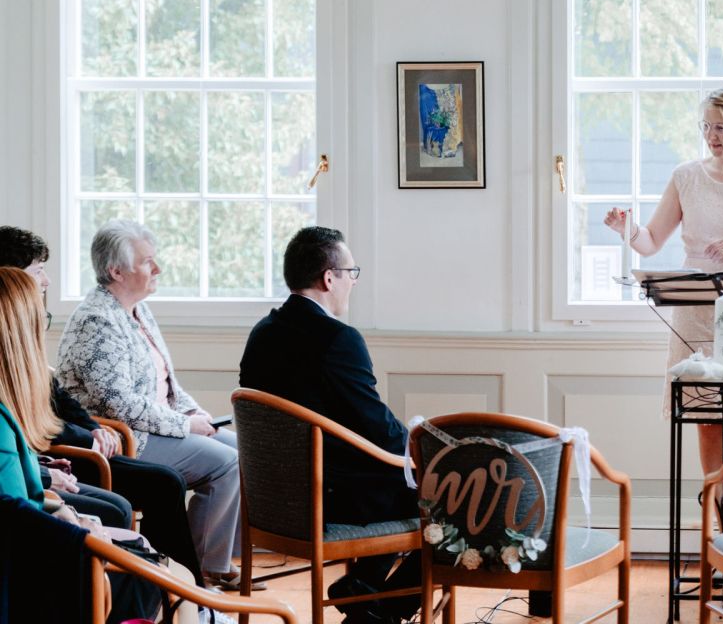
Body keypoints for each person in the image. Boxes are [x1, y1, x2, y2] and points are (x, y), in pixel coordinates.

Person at [604, 85, 723, 513]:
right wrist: (627, 229)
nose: (712, 136)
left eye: (722, 127)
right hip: (697, 312)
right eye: (706, 126)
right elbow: (651, 241)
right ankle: (719, 523)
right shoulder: (685, 177)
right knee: (708, 418)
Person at [55, 220, 253, 591]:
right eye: (148, 262)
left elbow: (167, 383)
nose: (157, 268)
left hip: (157, 423)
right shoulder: (96, 320)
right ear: (116, 271)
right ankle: (197, 573)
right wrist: (185, 426)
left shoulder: (139, 310)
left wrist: (193, 411)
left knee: (244, 452)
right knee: (226, 463)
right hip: (129, 436)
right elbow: (119, 405)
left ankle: (214, 563)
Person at [0, 225, 204, 580]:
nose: (47, 281)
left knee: (160, 485)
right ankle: (174, 589)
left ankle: (177, 585)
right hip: (60, 454)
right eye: (38, 270)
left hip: (59, 451)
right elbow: (27, 423)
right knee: (160, 486)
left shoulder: (135, 312)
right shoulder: (89, 319)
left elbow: (54, 395)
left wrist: (91, 428)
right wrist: (54, 465)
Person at [239, 226, 420, 623]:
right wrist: (423, 452)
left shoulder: (263, 332)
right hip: (331, 496)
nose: (352, 282)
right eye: (351, 272)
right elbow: (378, 427)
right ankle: (386, 610)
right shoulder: (338, 339)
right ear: (328, 278)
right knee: (446, 497)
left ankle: (363, 593)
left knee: (401, 481)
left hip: (274, 497)